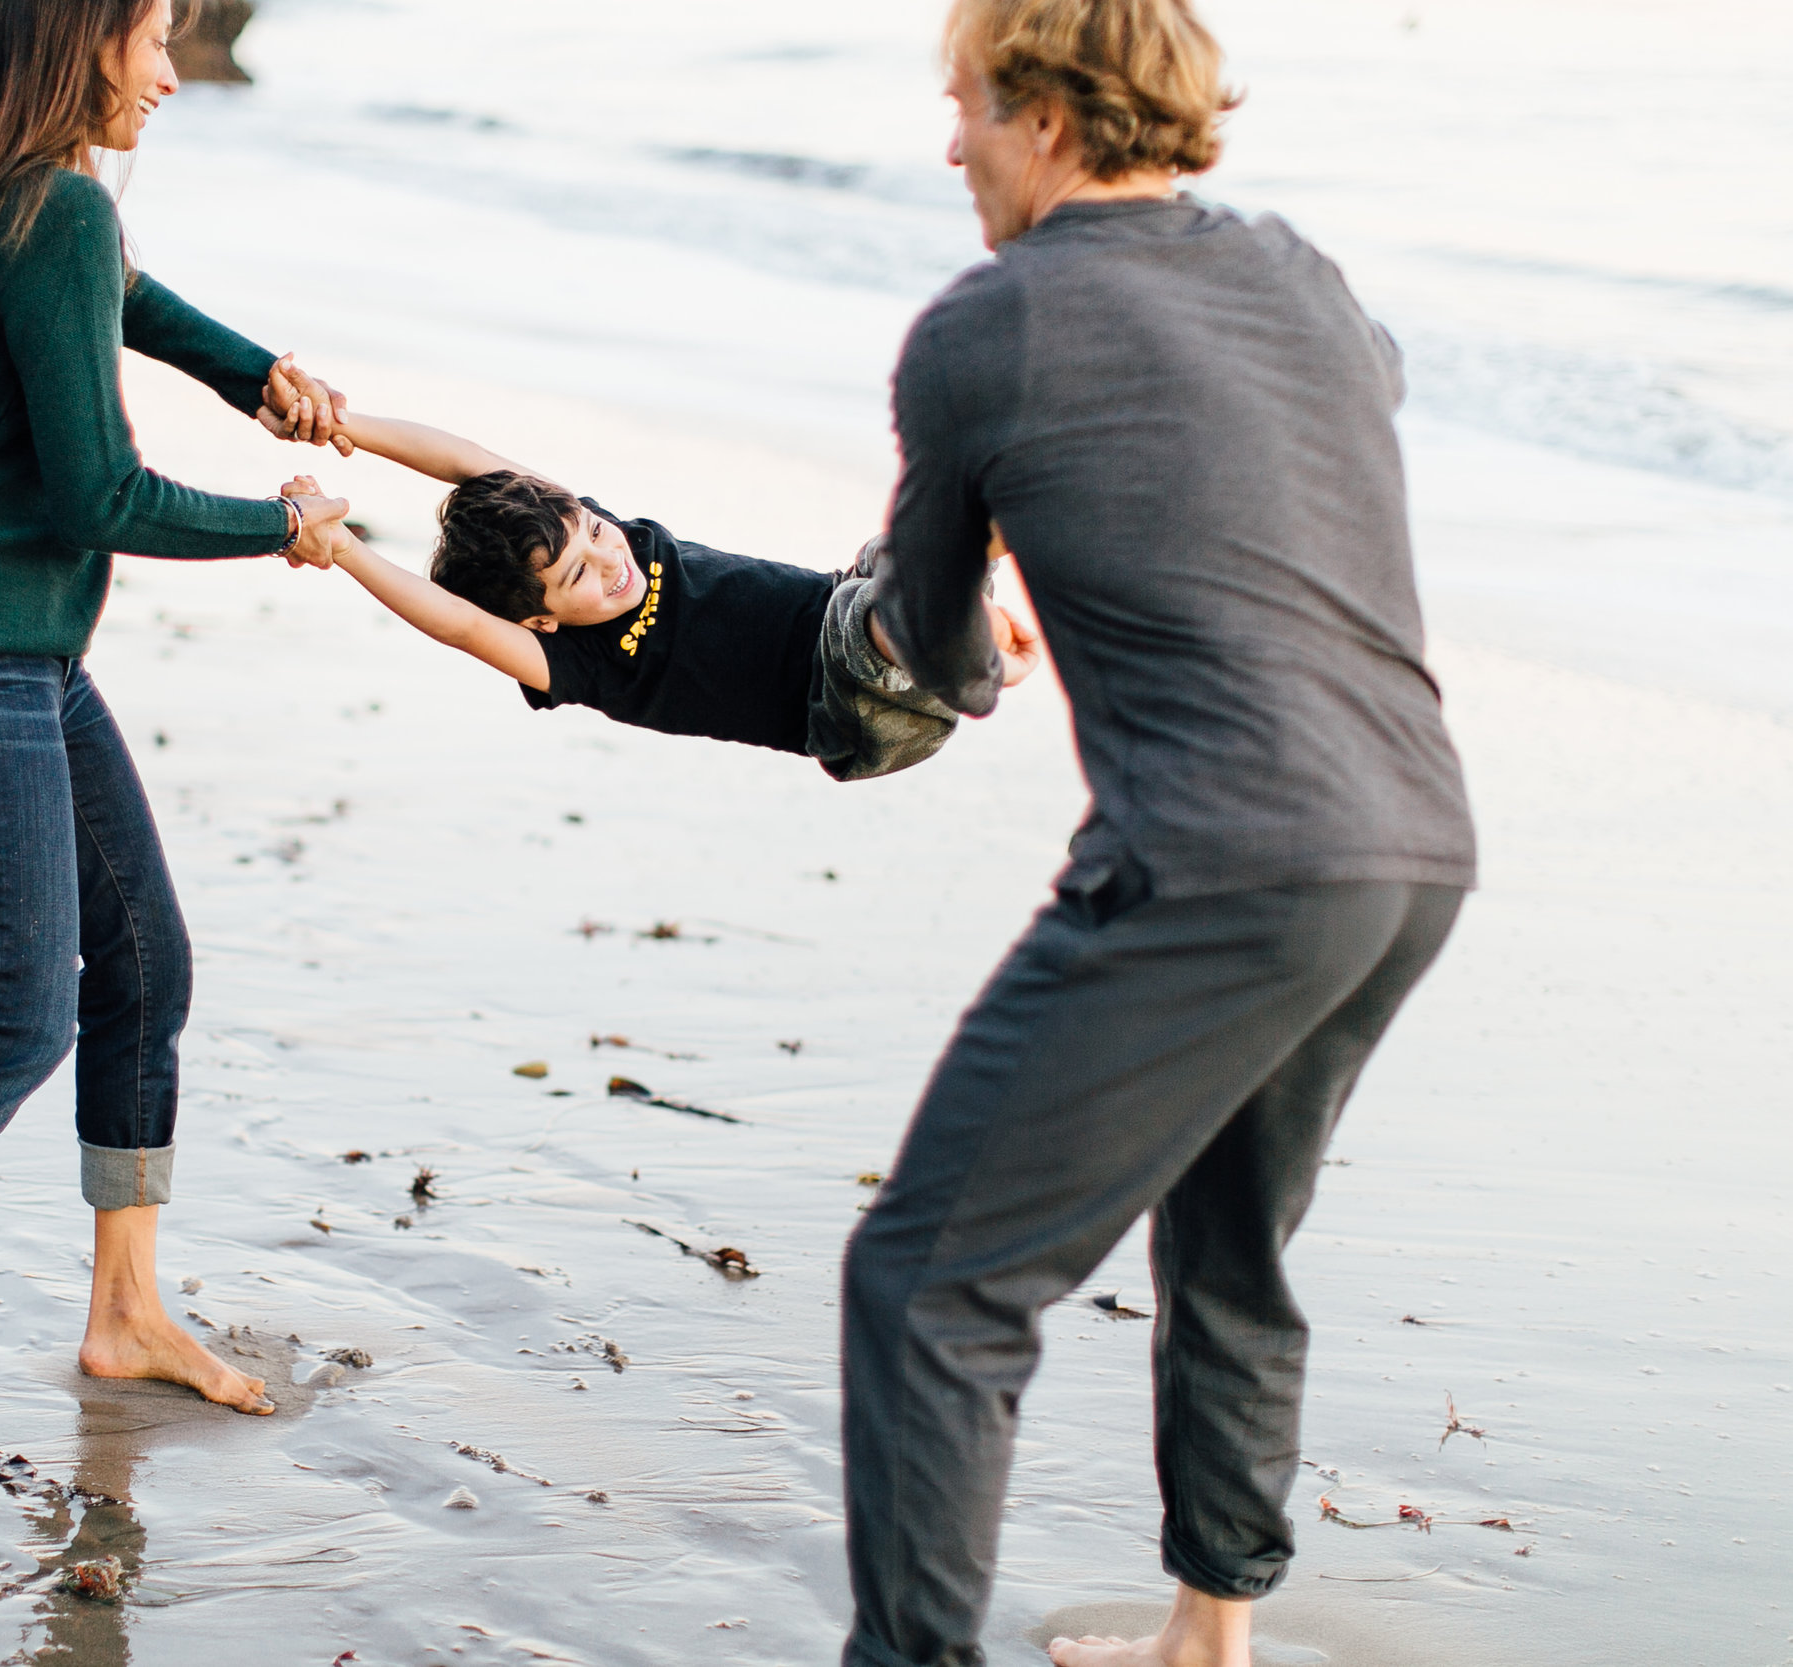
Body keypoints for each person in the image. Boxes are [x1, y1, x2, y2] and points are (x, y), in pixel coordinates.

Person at [836, 2, 1477, 1664]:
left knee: (930, 1286)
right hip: (1409, 845)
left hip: (1217, 856)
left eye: (968, 106)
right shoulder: (1305, 274)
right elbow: (1328, 413)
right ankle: (1213, 1634)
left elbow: (943, 655)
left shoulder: (985, 329)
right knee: (1229, 1237)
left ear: (1046, 114)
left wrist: (960, 611)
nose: (953, 141)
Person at [0, 0, 359, 1525]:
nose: (172, 72)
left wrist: (256, 370)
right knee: (22, 1000)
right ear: (79, 38)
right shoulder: (59, 208)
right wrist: (282, 524)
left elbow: (128, 299)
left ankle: (125, 1311)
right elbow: (101, 490)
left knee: (143, 963)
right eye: (156, 37)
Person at [262, 401, 1040, 776]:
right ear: (541, 619)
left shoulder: (575, 524)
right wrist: (344, 550)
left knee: (906, 543)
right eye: (580, 579)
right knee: (878, 610)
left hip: (851, 607)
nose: (610, 560)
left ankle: (983, 608)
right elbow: (459, 626)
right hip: (843, 705)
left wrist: (340, 426)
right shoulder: (579, 662)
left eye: (597, 534)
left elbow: (467, 460)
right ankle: (968, 641)